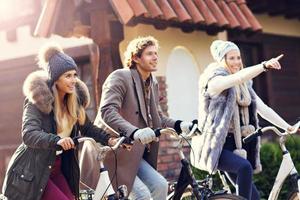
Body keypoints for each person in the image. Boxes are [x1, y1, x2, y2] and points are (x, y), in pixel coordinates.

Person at [2, 43, 118, 200]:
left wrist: (109, 139)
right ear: (55, 79)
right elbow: (28, 134)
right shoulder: (37, 101)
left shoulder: (73, 102)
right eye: (68, 76)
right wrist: (57, 140)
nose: (74, 80)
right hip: (34, 170)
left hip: (58, 167)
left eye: (75, 75)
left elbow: (88, 128)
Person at [90, 36, 195, 200]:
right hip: (113, 152)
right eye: (149, 54)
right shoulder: (120, 77)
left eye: (156, 53)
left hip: (135, 154)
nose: (155, 58)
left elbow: (158, 117)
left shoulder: (152, 83)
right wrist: (134, 132)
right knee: (142, 195)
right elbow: (107, 111)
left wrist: (181, 125)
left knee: (160, 186)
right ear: (135, 58)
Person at [191, 40, 296, 200]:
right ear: (222, 60)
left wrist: (288, 127)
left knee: (253, 198)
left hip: (236, 146)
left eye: (238, 57)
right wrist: (264, 65)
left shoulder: (245, 86)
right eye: (231, 58)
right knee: (244, 168)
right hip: (217, 146)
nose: (237, 62)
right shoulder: (214, 81)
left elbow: (264, 110)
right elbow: (238, 78)